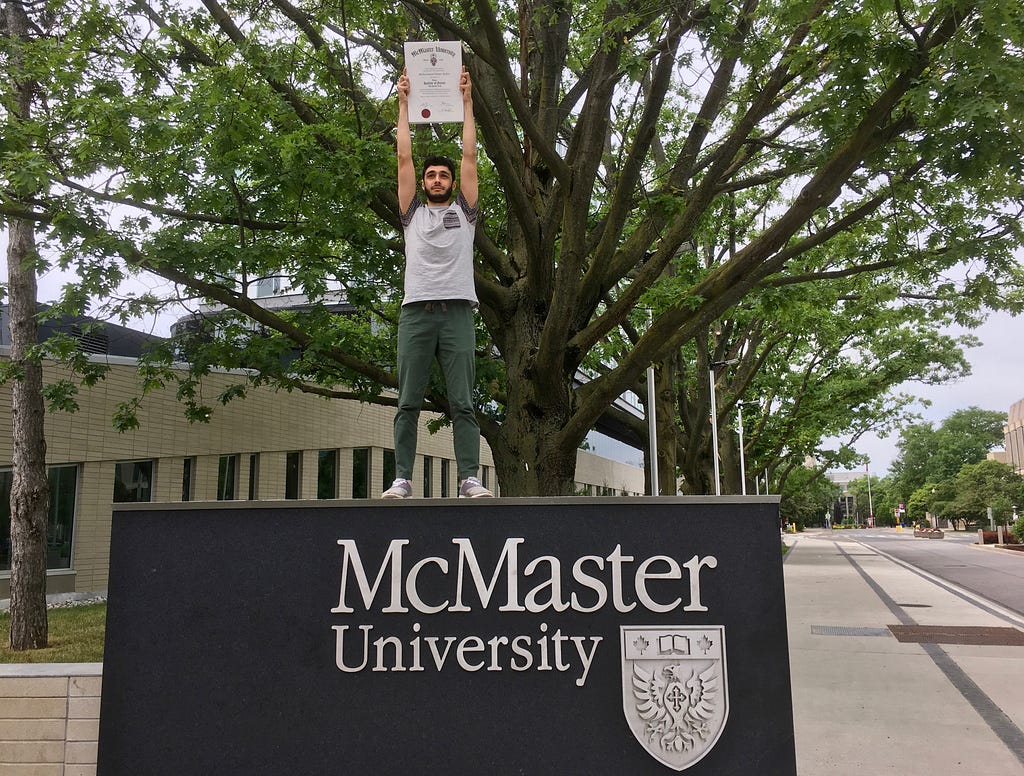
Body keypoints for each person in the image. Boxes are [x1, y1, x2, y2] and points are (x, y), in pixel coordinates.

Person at [382, 64, 493, 499]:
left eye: (442, 175)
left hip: (458, 313)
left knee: (463, 403)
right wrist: (403, 102)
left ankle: (469, 478)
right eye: (431, 175)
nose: (437, 179)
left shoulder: (464, 212)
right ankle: (401, 479)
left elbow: (470, 155)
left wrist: (467, 101)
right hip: (416, 315)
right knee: (407, 401)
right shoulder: (411, 213)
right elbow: (403, 157)